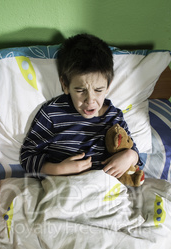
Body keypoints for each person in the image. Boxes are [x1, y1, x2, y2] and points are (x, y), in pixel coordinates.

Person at [20, 33, 141, 178]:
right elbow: (27, 157)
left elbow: (133, 152)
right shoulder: (52, 113)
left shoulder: (113, 117)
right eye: (80, 90)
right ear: (65, 85)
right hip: (65, 188)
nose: (90, 100)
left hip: (105, 189)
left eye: (98, 90)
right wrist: (59, 169)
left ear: (108, 86)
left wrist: (129, 156)